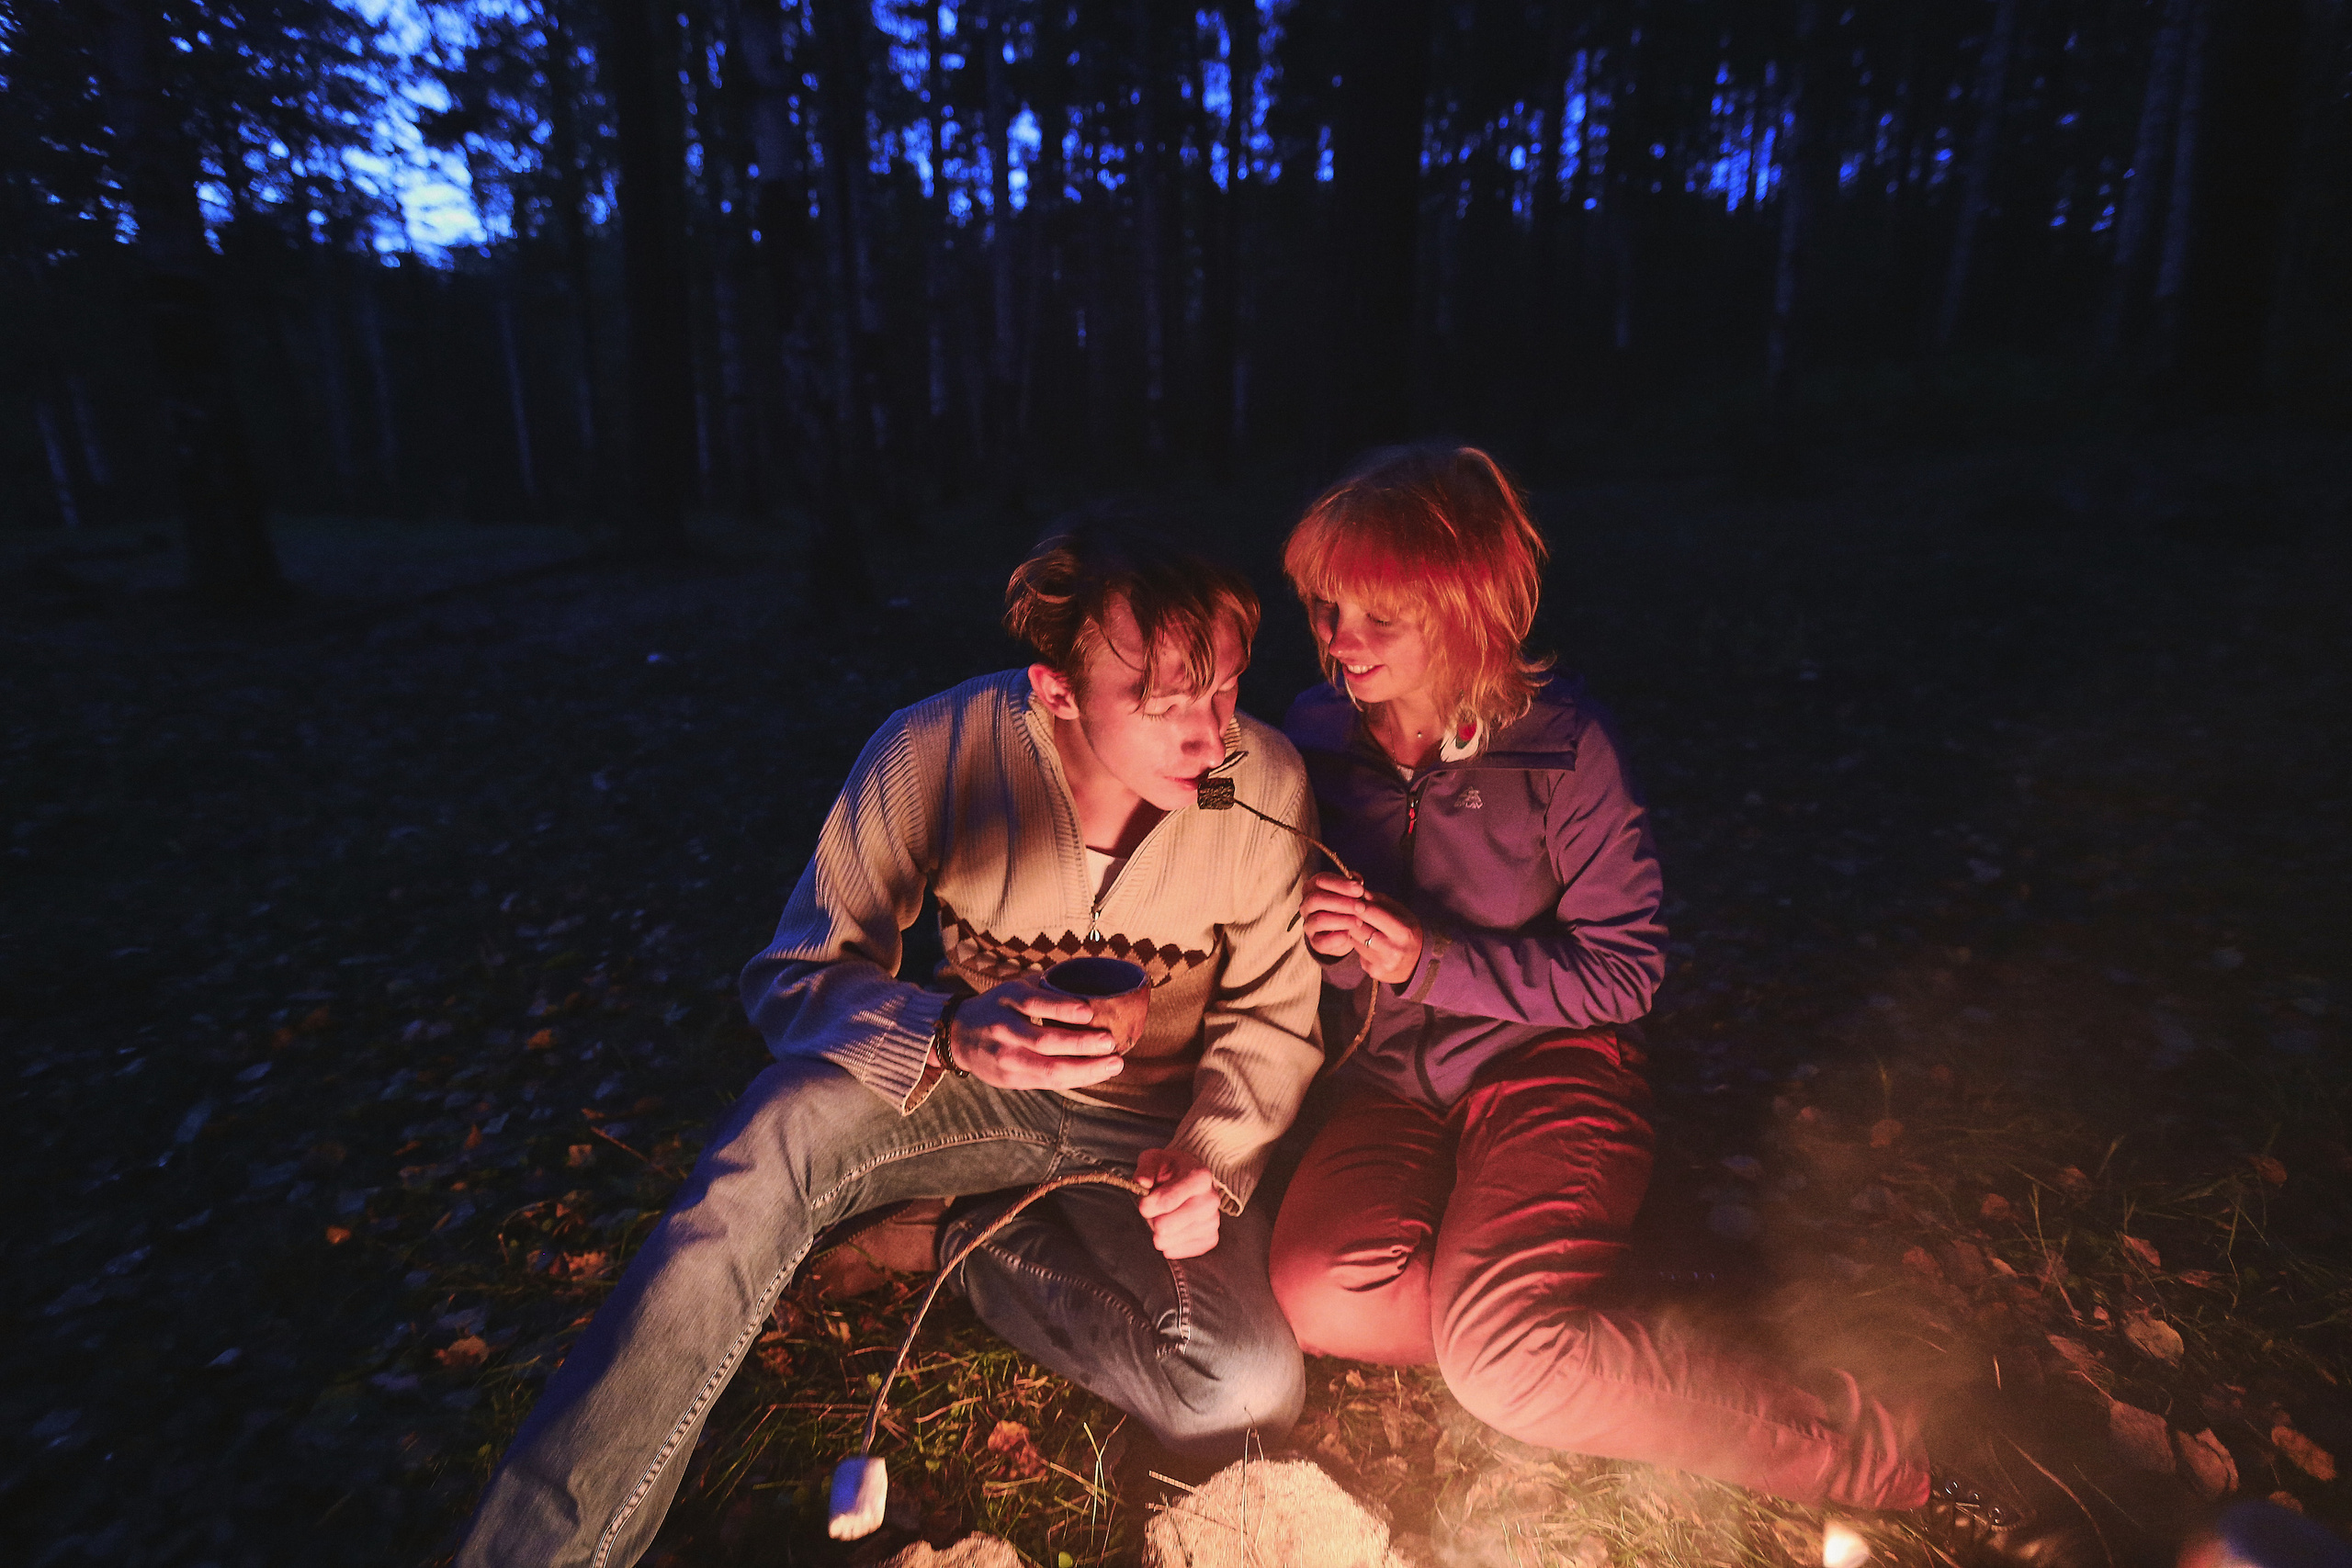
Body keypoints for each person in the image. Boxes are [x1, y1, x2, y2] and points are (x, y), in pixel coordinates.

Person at [457, 518, 1324, 1568]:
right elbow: (794, 976)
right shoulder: (932, 752)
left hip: (1147, 1132)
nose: (1211, 734)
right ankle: (539, 1551)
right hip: (964, 1086)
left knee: (1245, 1390)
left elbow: (1276, 1014)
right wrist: (952, 1031)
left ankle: (964, 1245)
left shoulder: (1262, 783)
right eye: (1166, 705)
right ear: (1055, 691)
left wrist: (1212, 1161)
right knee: (776, 1135)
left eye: (1226, 688)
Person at [1266, 445, 1930, 1509]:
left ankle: (1846, 1445)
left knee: (1498, 1367)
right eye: (1327, 610)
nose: (1339, 645)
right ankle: (1572, 1332)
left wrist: (1428, 957)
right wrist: (1325, 942)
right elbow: (1283, 926)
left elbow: (1624, 976)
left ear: (1465, 608)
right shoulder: (1311, 736)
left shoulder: (1563, 745)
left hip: (1551, 1066)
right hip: (1390, 1081)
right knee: (1316, 1299)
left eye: (1377, 618)